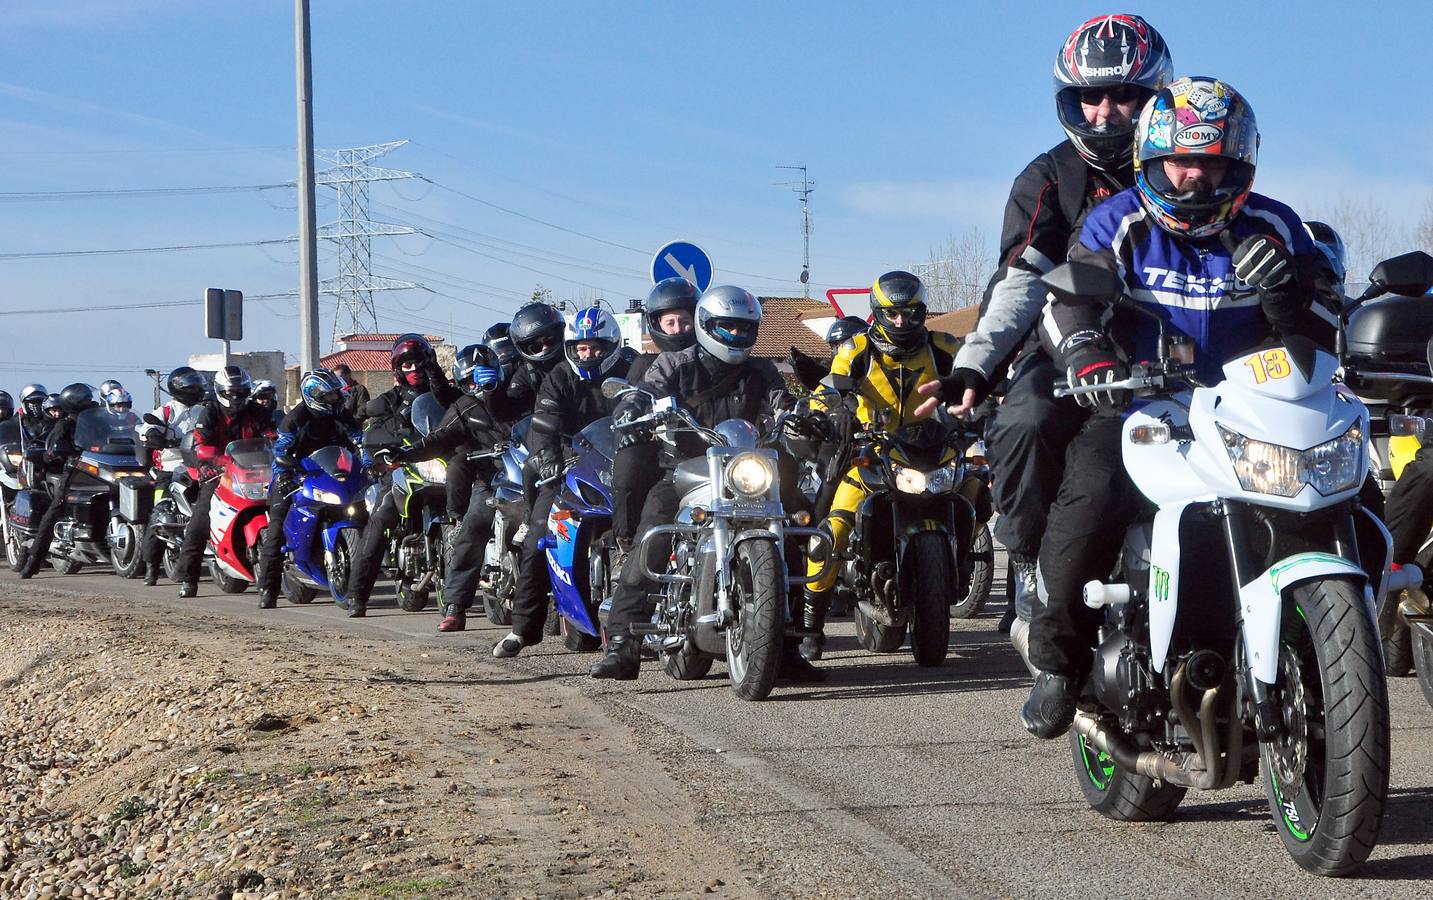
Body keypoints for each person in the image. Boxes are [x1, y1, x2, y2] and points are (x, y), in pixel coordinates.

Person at [1020, 76, 1334, 738]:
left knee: (1344, 494)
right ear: (1149, 161)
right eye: (1178, 163)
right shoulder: (1116, 222)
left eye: (1209, 163)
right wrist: (1090, 360)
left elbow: (1328, 324)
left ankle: (1356, 626)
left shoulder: (1276, 226)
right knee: (1093, 496)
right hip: (1143, 407)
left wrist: (1284, 294)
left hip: (1257, 412)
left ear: (1237, 165)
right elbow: (1066, 301)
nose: (1192, 178)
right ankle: (1057, 664)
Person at [917, 14, 1174, 636]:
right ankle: (1032, 564)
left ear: (1154, 96)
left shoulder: (1191, 165)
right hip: (1062, 341)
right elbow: (1023, 279)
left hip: (1180, 342)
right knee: (1027, 421)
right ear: (1071, 101)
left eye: (1124, 96)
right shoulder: (1048, 177)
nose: (1106, 112)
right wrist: (976, 362)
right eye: (1092, 97)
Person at [589, 286, 815, 680]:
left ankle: (788, 644)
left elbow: (785, 400)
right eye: (727, 327)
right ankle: (624, 644)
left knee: (791, 537)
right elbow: (645, 392)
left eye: (745, 329)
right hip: (683, 469)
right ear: (706, 326)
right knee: (653, 535)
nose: (736, 336)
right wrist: (633, 410)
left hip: (747, 472)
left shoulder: (761, 370)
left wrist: (804, 414)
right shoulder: (676, 364)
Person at [795, 272, 965, 661]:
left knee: (974, 493)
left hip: (932, 453)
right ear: (877, 313)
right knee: (834, 528)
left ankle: (965, 573)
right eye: (892, 314)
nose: (901, 321)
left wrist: (981, 408)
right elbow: (828, 388)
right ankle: (810, 623)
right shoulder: (856, 349)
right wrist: (832, 412)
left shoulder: (944, 347)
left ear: (922, 312)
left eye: (909, 313)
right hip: (871, 454)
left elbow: (974, 383)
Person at [493, 305, 636, 657]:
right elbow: (544, 420)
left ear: (612, 345)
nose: (588, 355)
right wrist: (548, 458)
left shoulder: (632, 368)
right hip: (570, 463)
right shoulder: (560, 375)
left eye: (597, 347)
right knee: (539, 537)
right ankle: (522, 630)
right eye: (581, 348)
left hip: (625, 461)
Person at [392, 344, 512, 631]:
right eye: (471, 381)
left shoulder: (517, 397)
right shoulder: (463, 407)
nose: (478, 385)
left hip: (524, 476)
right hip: (491, 480)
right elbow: (440, 438)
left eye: (483, 377)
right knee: (472, 529)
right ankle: (456, 607)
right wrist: (404, 455)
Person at [343, 334, 461, 617]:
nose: (414, 369)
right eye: (406, 364)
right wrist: (379, 454)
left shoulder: (447, 396)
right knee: (381, 519)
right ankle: (357, 596)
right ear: (397, 368)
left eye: (418, 362)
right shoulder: (388, 402)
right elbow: (372, 432)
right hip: (402, 468)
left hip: (441, 466)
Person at [255, 369, 363, 609]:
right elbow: (280, 451)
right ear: (315, 395)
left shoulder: (341, 415)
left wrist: (368, 463)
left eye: (337, 394)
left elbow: (359, 439)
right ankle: (268, 589)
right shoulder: (295, 419)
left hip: (332, 475)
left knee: (366, 511)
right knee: (275, 530)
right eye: (331, 396)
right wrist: (283, 475)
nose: (336, 399)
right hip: (295, 474)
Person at [611, 278, 699, 565]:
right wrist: (630, 419)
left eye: (684, 321)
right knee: (629, 464)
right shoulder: (644, 364)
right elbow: (630, 398)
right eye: (670, 322)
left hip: (710, 450)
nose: (678, 329)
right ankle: (627, 547)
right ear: (657, 325)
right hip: (660, 452)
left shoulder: (711, 361)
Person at [172, 366, 276, 598]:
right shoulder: (209, 413)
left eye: (241, 392)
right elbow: (201, 442)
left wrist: (279, 447)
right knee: (200, 520)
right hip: (219, 472)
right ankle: (188, 579)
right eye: (231, 393)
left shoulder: (257, 411)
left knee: (283, 508)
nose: (236, 397)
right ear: (220, 392)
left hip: (257, 471)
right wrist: (213, 459)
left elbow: (271, 434)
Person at [17, 384, 98, 578]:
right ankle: (34, 561)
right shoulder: (64, 424)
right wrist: (58, 452)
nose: (87, 401)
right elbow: (50, 450)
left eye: (87, 398)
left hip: (95, 470)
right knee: (55, 509)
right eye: (83, 399)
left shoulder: (96, 421)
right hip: (70, 472)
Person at [138, 367, 210, 586]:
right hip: (169, 469)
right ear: (179, 389)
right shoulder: (166, 411)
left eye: (198, 386)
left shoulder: (205, 410)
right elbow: (147, 428)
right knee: (159, 512)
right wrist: (154, 435)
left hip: (201, 466)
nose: (196, 390)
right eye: (191, 387)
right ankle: (151, 566)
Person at [789, 315, 869, 391]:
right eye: (834, 345)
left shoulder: (875, 359)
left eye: (842, 343)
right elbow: (824, 379)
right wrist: (804, 367)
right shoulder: (834, 361)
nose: (838, 349)